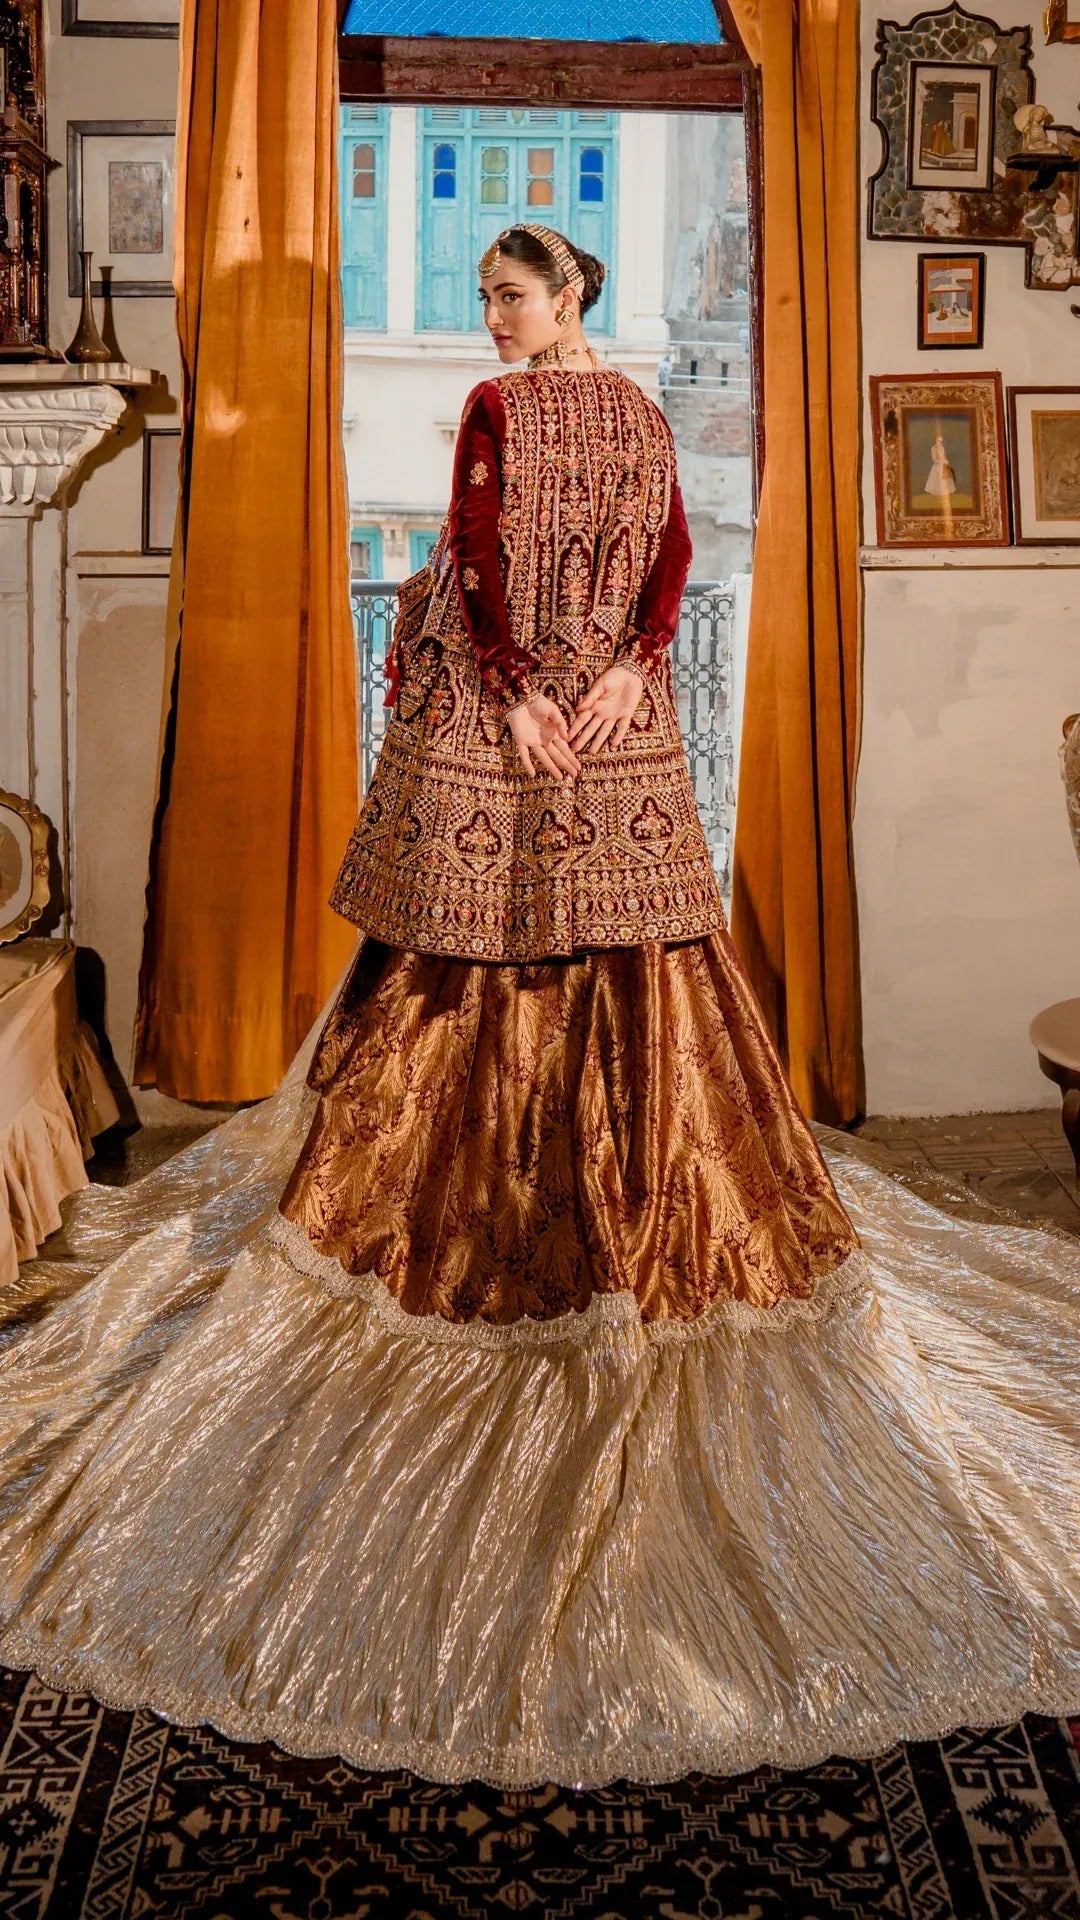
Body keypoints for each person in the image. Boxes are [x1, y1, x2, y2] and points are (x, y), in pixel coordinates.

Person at [1, 224, 1079, 1791]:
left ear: (566, 295)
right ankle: (606, 1207)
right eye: (486, 299)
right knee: (621, 958)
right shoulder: (638, 408)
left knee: (477, 963)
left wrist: (516, 690)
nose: (491, 317)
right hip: (613, 719)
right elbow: (675, 561)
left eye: (508, 296)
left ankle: (505, 1226)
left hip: (523, 715)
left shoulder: (507, 409)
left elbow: (480, 554)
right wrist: (635, 672)